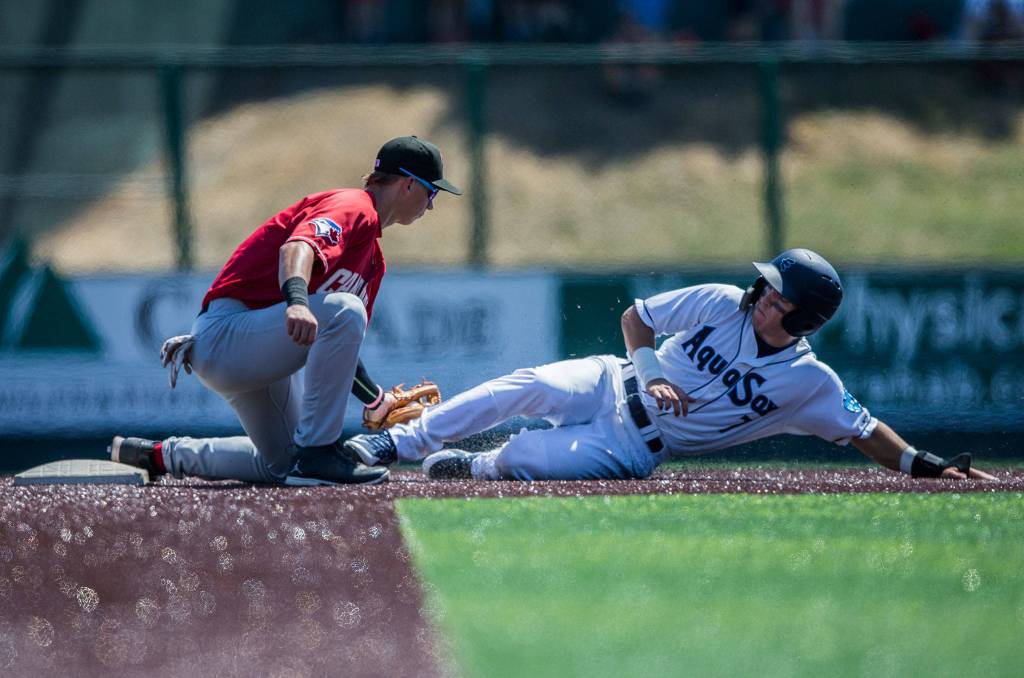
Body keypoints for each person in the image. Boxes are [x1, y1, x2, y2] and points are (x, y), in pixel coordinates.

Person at [342, 248, 996, 483]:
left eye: (780, 296)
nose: (765, 295)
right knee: (529, 385)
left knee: (525, 462)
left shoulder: (809, 384)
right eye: (767, 285)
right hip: (612, 377)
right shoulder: (720, 301)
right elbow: (637, 319)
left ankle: (479, 465)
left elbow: (863, 427)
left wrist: (921, 463)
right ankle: (393, 440)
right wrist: (651, 368)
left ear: (805, 319)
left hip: (632, 446)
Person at [110, 136, 461, 486]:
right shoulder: (355, 206)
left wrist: (376, 401)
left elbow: (341, 340)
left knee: (281, 466)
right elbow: (298, 246)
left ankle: (159, 455)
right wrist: (296, 302)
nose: (430, 206)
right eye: (432, 193)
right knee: (345, 310)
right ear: (409, 184)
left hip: (261, 348)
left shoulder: (373, 263)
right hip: (229, 333)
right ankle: (320, 451)